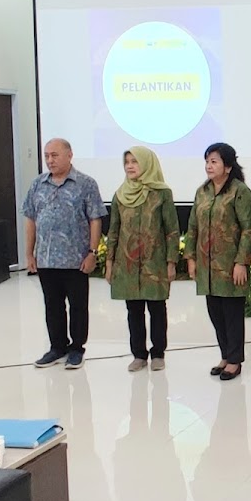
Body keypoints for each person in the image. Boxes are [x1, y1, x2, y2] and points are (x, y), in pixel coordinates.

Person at [23, 139, 106, 370]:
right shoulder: (38, 184)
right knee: (53, 306)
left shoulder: (86, 184)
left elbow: (95, 219)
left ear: (69, 155)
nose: (50, 160)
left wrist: (92, 252)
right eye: (46, 156)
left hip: (75, 259)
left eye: (55, 155)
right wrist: (29, 253)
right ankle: (57, 347)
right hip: (46, 258)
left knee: (78, 306)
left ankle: (77, 349)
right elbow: (30, 219)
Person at [104, 147, 180, 372]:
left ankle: (158, 353)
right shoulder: (120, 195)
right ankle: (138, 354)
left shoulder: (162, 193)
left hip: (154, 263)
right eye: (127, 162)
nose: (129, 166)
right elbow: (114, 231)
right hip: (127, 264)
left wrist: (171, 262)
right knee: (133, 311)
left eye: (135, 161)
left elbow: (171, 230)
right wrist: (109, 263)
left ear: (147, 164)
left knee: (157, 309)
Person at [185, 143, 251, 381]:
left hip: (230, 265)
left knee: (232, 314)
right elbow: (192, 227)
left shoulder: (239, 191)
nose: (209, 166)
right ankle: (225, 356)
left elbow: (248, 229)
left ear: (228, 166)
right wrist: (191, 258)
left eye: (214, 161)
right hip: (207, 267)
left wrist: (241, 262)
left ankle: (235, 361)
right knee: (215, 313)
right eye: (207, 161)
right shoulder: (202, 191)